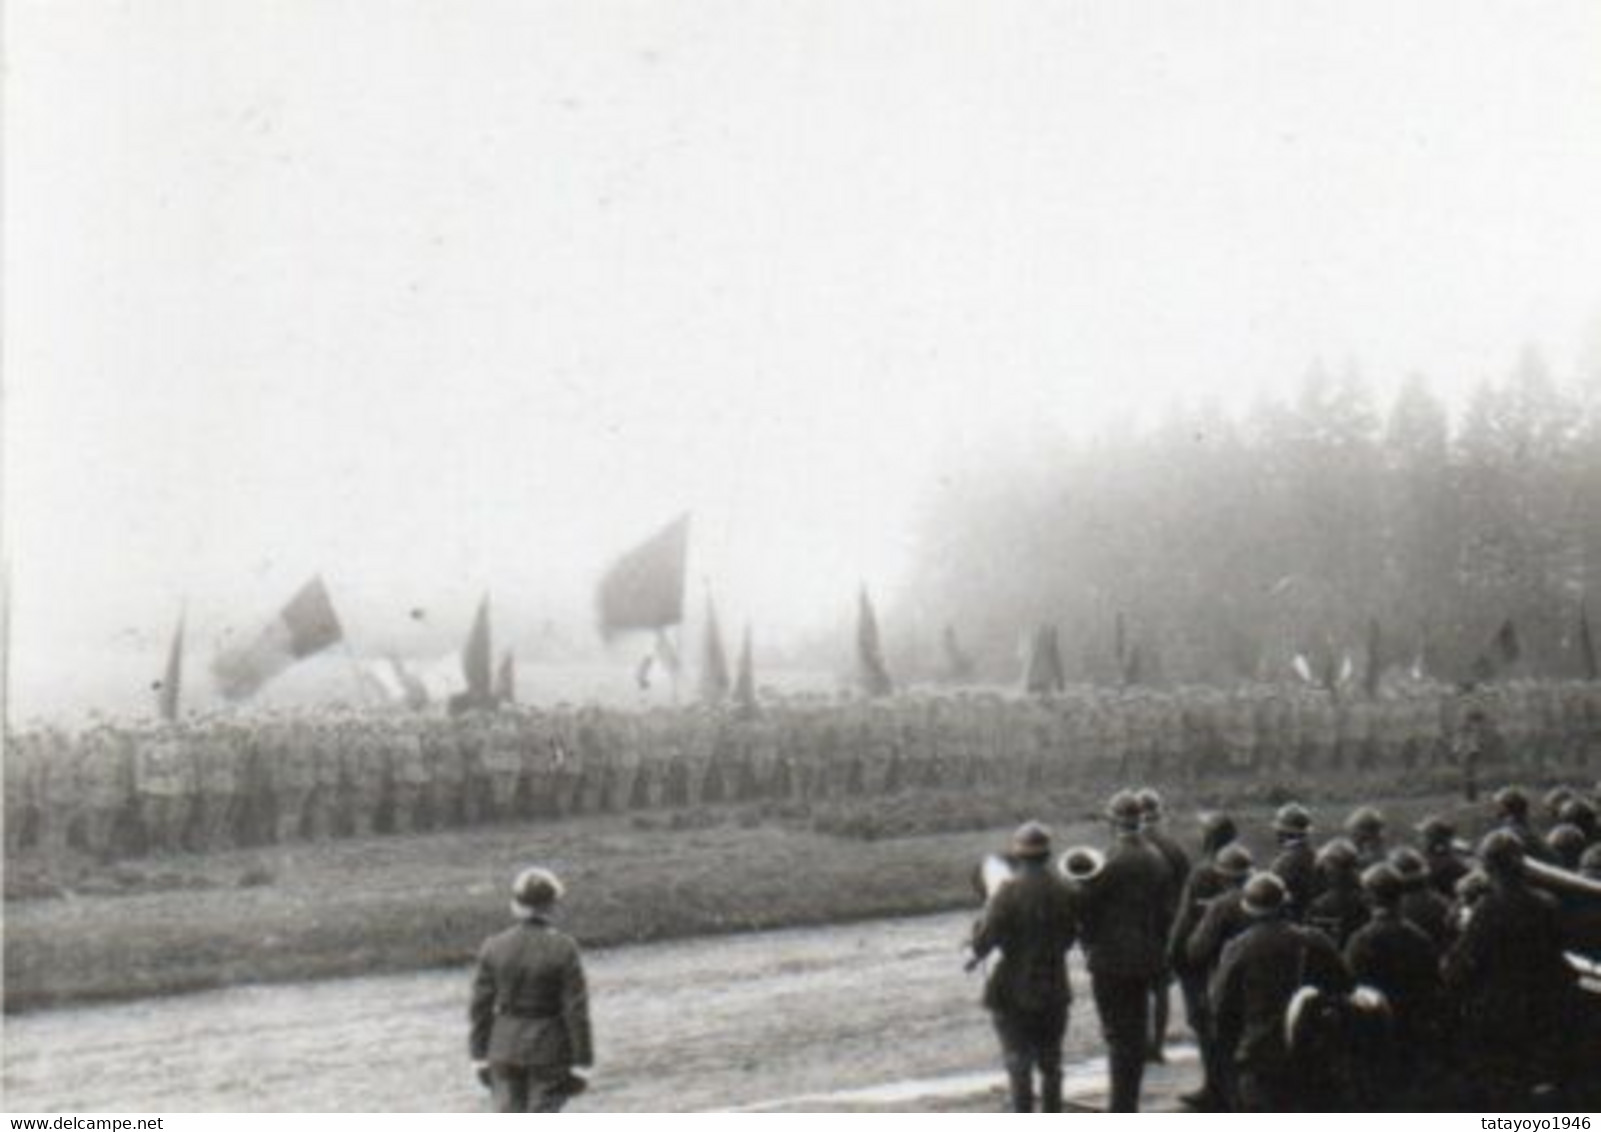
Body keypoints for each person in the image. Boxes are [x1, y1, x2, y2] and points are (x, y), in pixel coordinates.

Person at [1209, 872, 1352, 1112]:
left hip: (1259, 1059)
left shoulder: (1239, 948)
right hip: (1311, 1056)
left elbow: (1221, 1008)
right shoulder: (1315, 940)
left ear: (1250, 910)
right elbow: (1345, 988)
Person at [969, 822, 1080, 1113]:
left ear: (1018, 855)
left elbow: (983, 942)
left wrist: (977, 936)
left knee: (1019, 1065)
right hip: (1055, 984)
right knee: (1051, 1065)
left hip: (1013, 987)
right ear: (1047, 854)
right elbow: (1070, 937)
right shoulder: (1065, 889)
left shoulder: (1007, 891)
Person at [1074, 790, 1173, 1112]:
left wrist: (1086, 938)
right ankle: (1127, 1102)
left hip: (1112, 961)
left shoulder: (1111, 859)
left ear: (1113, 821)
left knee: (1118, 1036)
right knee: (1133, 1034)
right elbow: (1164, 912)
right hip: (1146, 957)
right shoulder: (1155, 856)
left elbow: (1085, 908)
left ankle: (1121, 1108)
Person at [469, 867, 594, 1113]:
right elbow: (576, 1011)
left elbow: (480, 1009)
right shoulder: (564, 948)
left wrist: (478, 1056)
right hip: (550, 1050)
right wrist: (583, 1062)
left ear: (516, 905)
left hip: (503, 1048)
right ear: (552, 906)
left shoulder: (493, 946)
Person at [1136, 788, 1190, 1064]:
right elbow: (1186, 890)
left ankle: (1143, 1043)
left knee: (1139, 988)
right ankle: (1156, 1046)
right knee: (1160, 988)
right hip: (1166, 926)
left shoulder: (1130, 847)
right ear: (1160, 813)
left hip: (1136, 928)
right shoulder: (1174, 847)